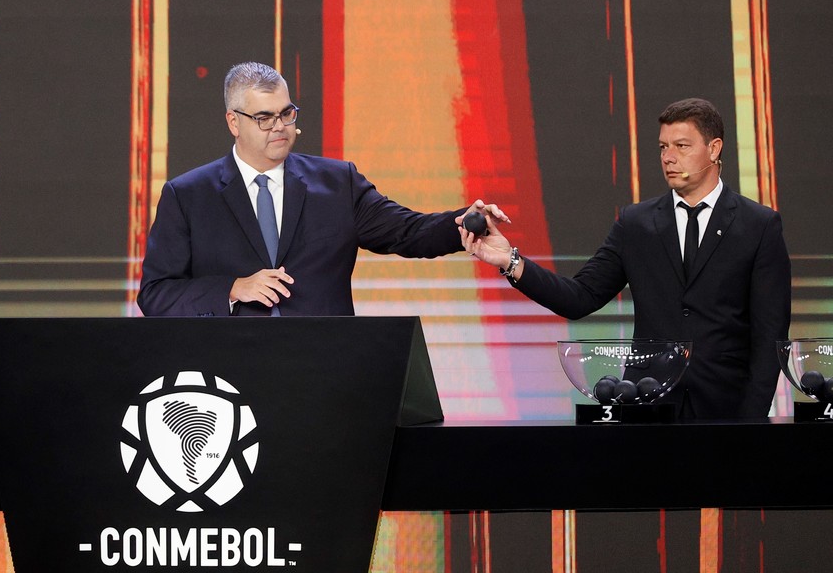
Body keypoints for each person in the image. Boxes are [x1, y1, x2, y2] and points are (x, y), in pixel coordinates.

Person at [460, 97, 791, 419]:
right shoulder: (636, 224)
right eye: (663, 147)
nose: (668, 158)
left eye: (682, 146)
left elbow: (770, 333)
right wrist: (510, 261)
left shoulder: (758, 225)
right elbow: (579, 297)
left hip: (727, 411)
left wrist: (751, 420)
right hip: (648, 407)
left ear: (714, 148)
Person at [137, 61, 506, 317]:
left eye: (286, 113)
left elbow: (408, 231)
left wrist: (463, 223)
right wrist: (231, 288)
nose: (279, 127)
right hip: (230, 374)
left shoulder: (338, 182)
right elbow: (156, 295)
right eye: (264, 118)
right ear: (234, 122)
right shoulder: (188, 196)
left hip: (326, 365)